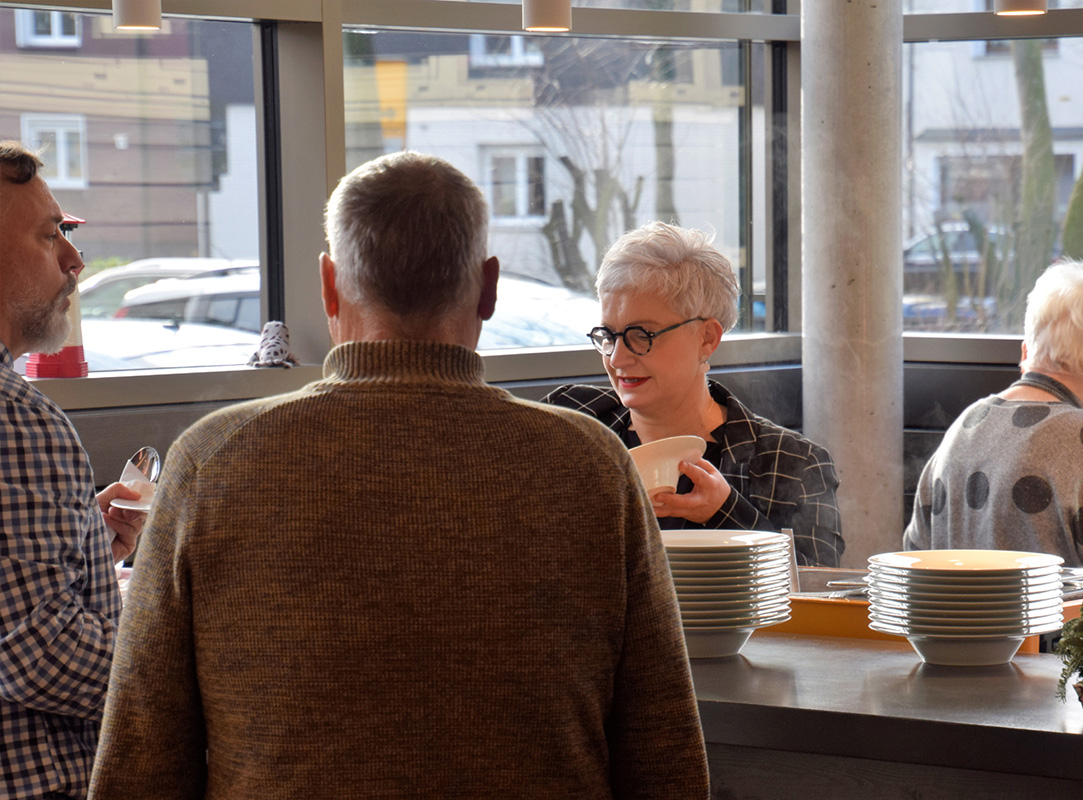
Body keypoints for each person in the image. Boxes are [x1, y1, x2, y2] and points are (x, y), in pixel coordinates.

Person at [88, 152, 709, 799]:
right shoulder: (589, 465)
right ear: (490, 287)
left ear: (329, 286)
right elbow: (662, 750)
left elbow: (142, 760)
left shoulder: (210, 461)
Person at [545, 222, 844, 567]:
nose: (617, 358)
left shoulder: (789, 462)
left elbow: (816, 597)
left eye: (642, 334)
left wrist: (726, 512)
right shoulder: (571, 422)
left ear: (706, 339)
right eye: (608, 335)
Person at [0, 141, 145, 799]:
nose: (75, 260)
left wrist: (83, 540)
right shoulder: (19, 421)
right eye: (48, 235)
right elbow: (41, 657)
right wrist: (183, 678)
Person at [903, 259, 1083, 574]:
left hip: (949, 623)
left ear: (1025, 352)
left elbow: (913, 554)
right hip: (1058, 624)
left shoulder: (965, 427)